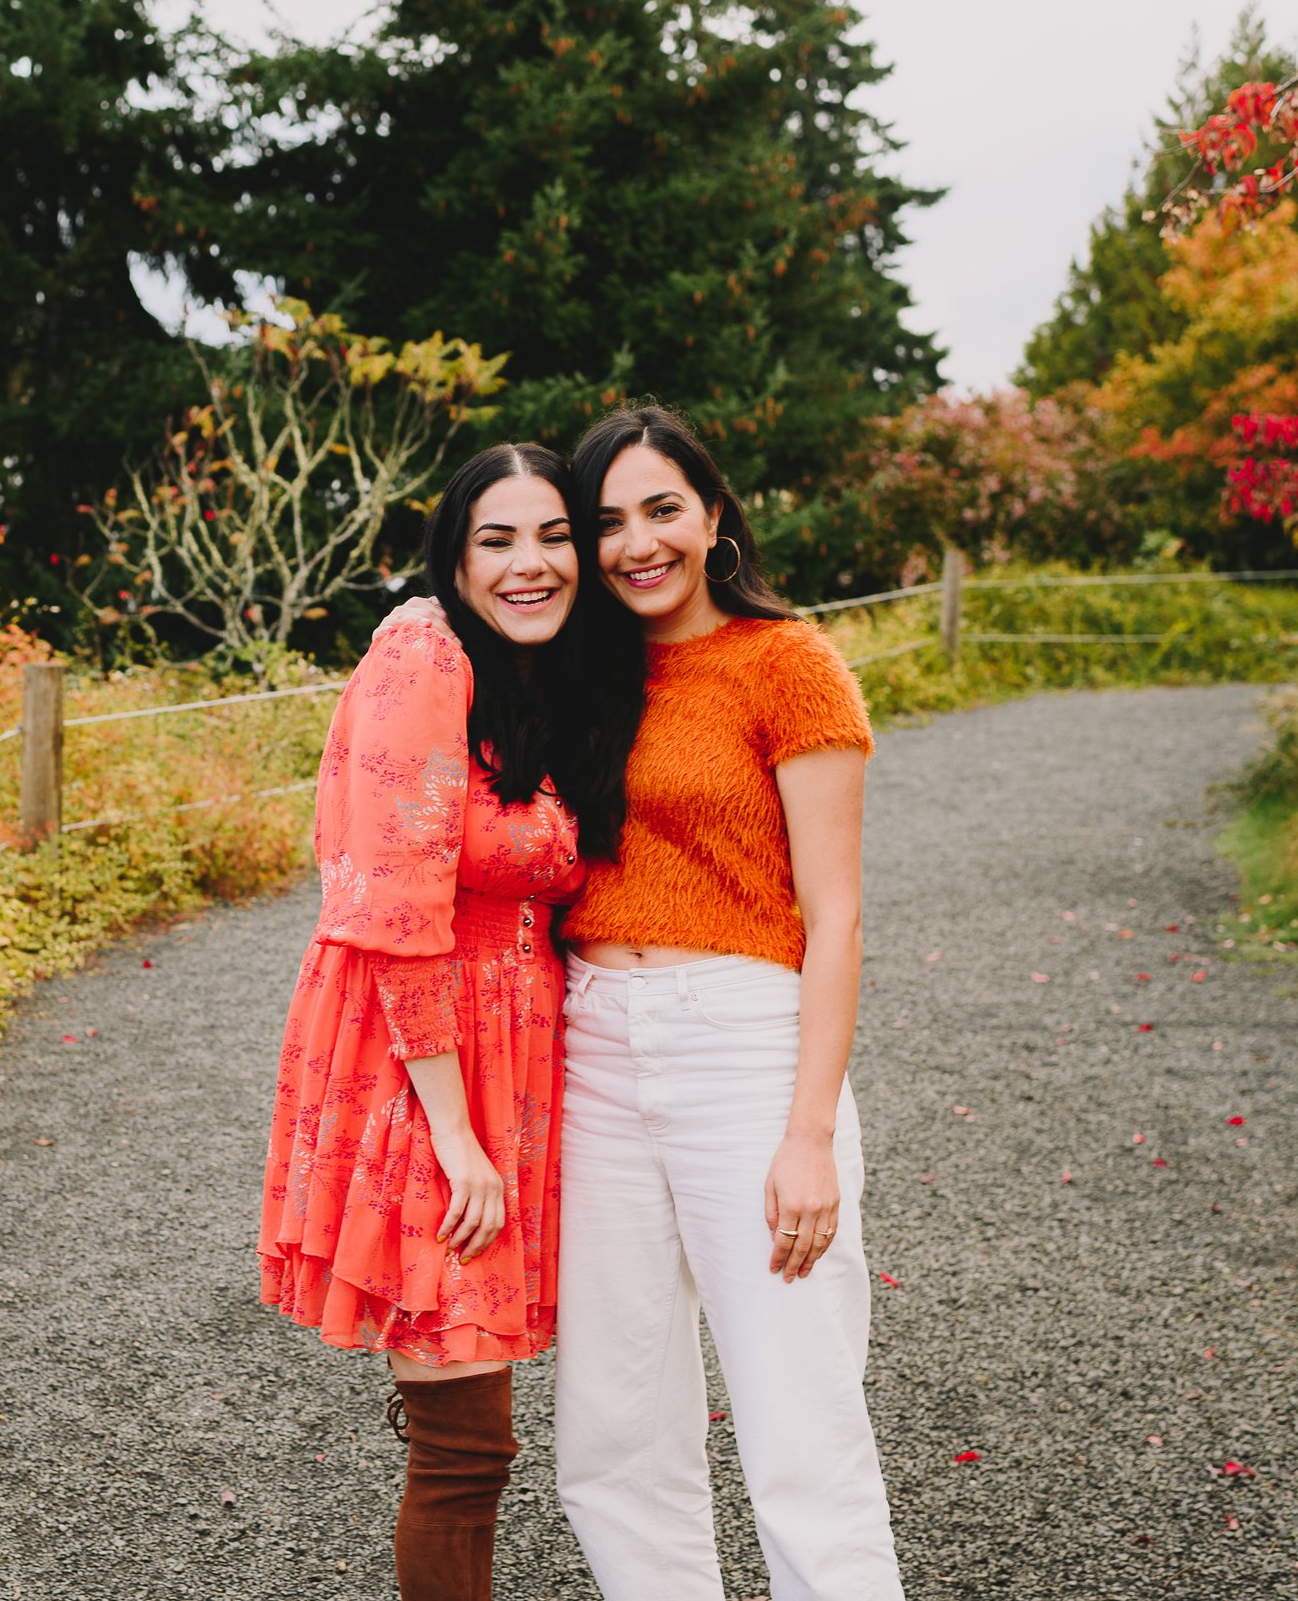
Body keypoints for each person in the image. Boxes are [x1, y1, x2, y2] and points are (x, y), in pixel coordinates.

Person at [387, 404, 904, 1599]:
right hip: (593, 1057)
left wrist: (809, 1135)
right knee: (615, 1437)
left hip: (743, 1048)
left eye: (661, 509)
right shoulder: (573, 673)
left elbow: (837, 917)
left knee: (799, 1427)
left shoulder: (791, 664)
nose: (634, 544)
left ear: (712, 515)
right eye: (605, 520)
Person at [257, 442, 638, 1601]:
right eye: (497, 539)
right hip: (422, 1064)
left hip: (513, 1056)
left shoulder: (537, 677)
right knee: (466, 1447)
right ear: (453, 556)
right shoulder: (422, 654)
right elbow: (393, 911)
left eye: (553, 536)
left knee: (472, 1435)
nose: (530, 564)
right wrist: (455, 1132)